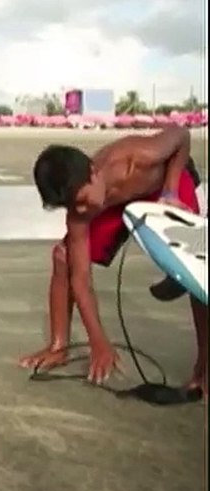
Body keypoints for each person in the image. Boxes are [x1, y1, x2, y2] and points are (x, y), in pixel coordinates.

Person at [21, 127, 206, 398]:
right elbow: (81, 281)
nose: (81, 211)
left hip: (166, 183)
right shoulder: (81, 209)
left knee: (196, 267)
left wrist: (170, 191)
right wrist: (99, 343)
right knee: (63, 257)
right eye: (73, 207)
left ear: (94, 173)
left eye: (82, 201)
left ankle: (204, 365)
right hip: (113, 204)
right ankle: (58, 348)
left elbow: (181, 136)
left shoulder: (137, 160)